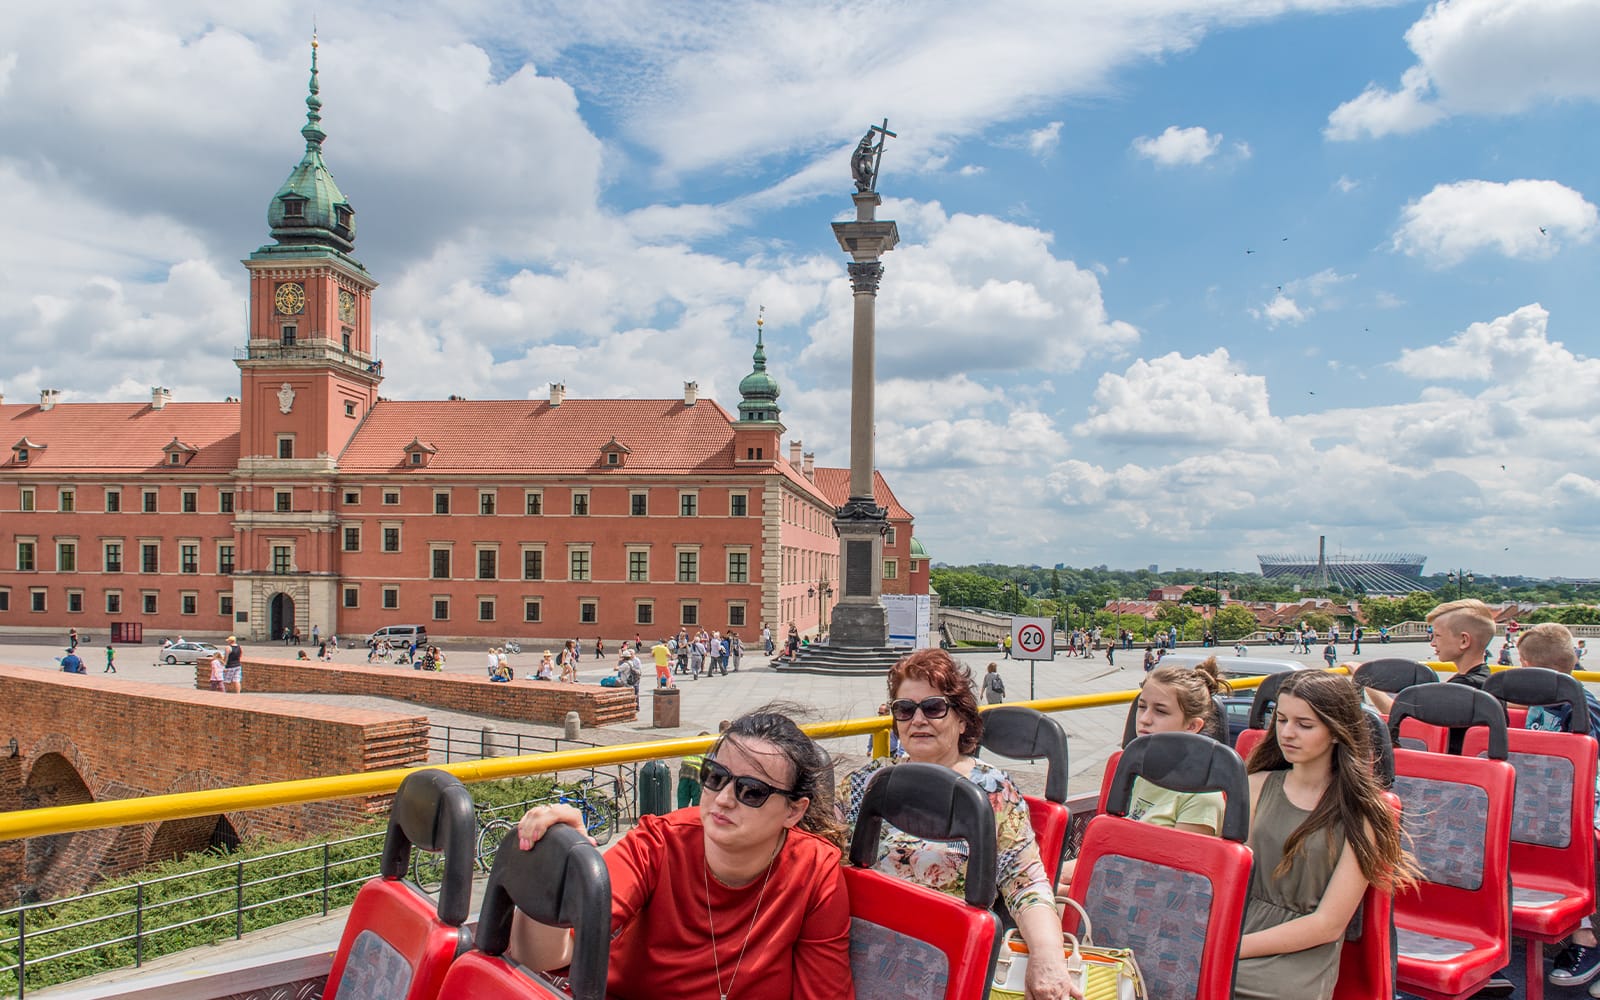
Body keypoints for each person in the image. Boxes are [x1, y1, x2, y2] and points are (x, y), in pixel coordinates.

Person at [508, 710, 854, 1000]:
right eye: (715, 777)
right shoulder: (660, 842)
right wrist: (560, 876)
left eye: (752, 791)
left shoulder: (814, 869)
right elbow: (545, 956)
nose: (723, 799)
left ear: (794, 812)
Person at [838, 649, 1074, 1000]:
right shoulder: (865, 784)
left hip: (948, 958)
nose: (918, 719)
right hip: (864, 952)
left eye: (933, 708)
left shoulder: (992, 791)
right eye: (905, 709)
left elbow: (1025, 883)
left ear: (962, 719)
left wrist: (1048, 956)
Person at [1232, 671, 1418, 1000]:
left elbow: (1327, 924)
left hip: (1298, 960)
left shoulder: (1362, 814)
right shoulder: (1255, 785)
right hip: (1237, 930)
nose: (1287, 733)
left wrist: (1228, 947)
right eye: (1282, 720)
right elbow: (1234, 880)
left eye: (1305, 725)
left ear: (1336, 731)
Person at [1057, 658, 1231, 892]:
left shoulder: (1202, 797)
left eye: (1160, 711)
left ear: (1192, 726)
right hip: (1117, 874)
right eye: (1142, 706)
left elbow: (1175, 879)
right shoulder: (1138, 774)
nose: (1145, 719)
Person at [1515, 623, 1600, 988]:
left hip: (1581, 801)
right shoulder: (1542, 701)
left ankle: (1587, 940)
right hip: (1548, 801)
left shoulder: (1581, 703)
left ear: (1525, 664)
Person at [1362, 599, 1493, 754]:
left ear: (1464, 640)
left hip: (1449, 771)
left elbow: (1398, 715)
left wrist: (1366, 678)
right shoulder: (1486, 681)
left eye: (1438, 636)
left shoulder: (1463, 689)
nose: (1433, 643)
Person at [679, 735, 709, 809]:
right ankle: (695, 817)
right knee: (697, 802)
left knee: (682, 800)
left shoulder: (692, 748)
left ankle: (681, 816)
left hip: (684, 773)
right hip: (696, 776)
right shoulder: (706, 751)